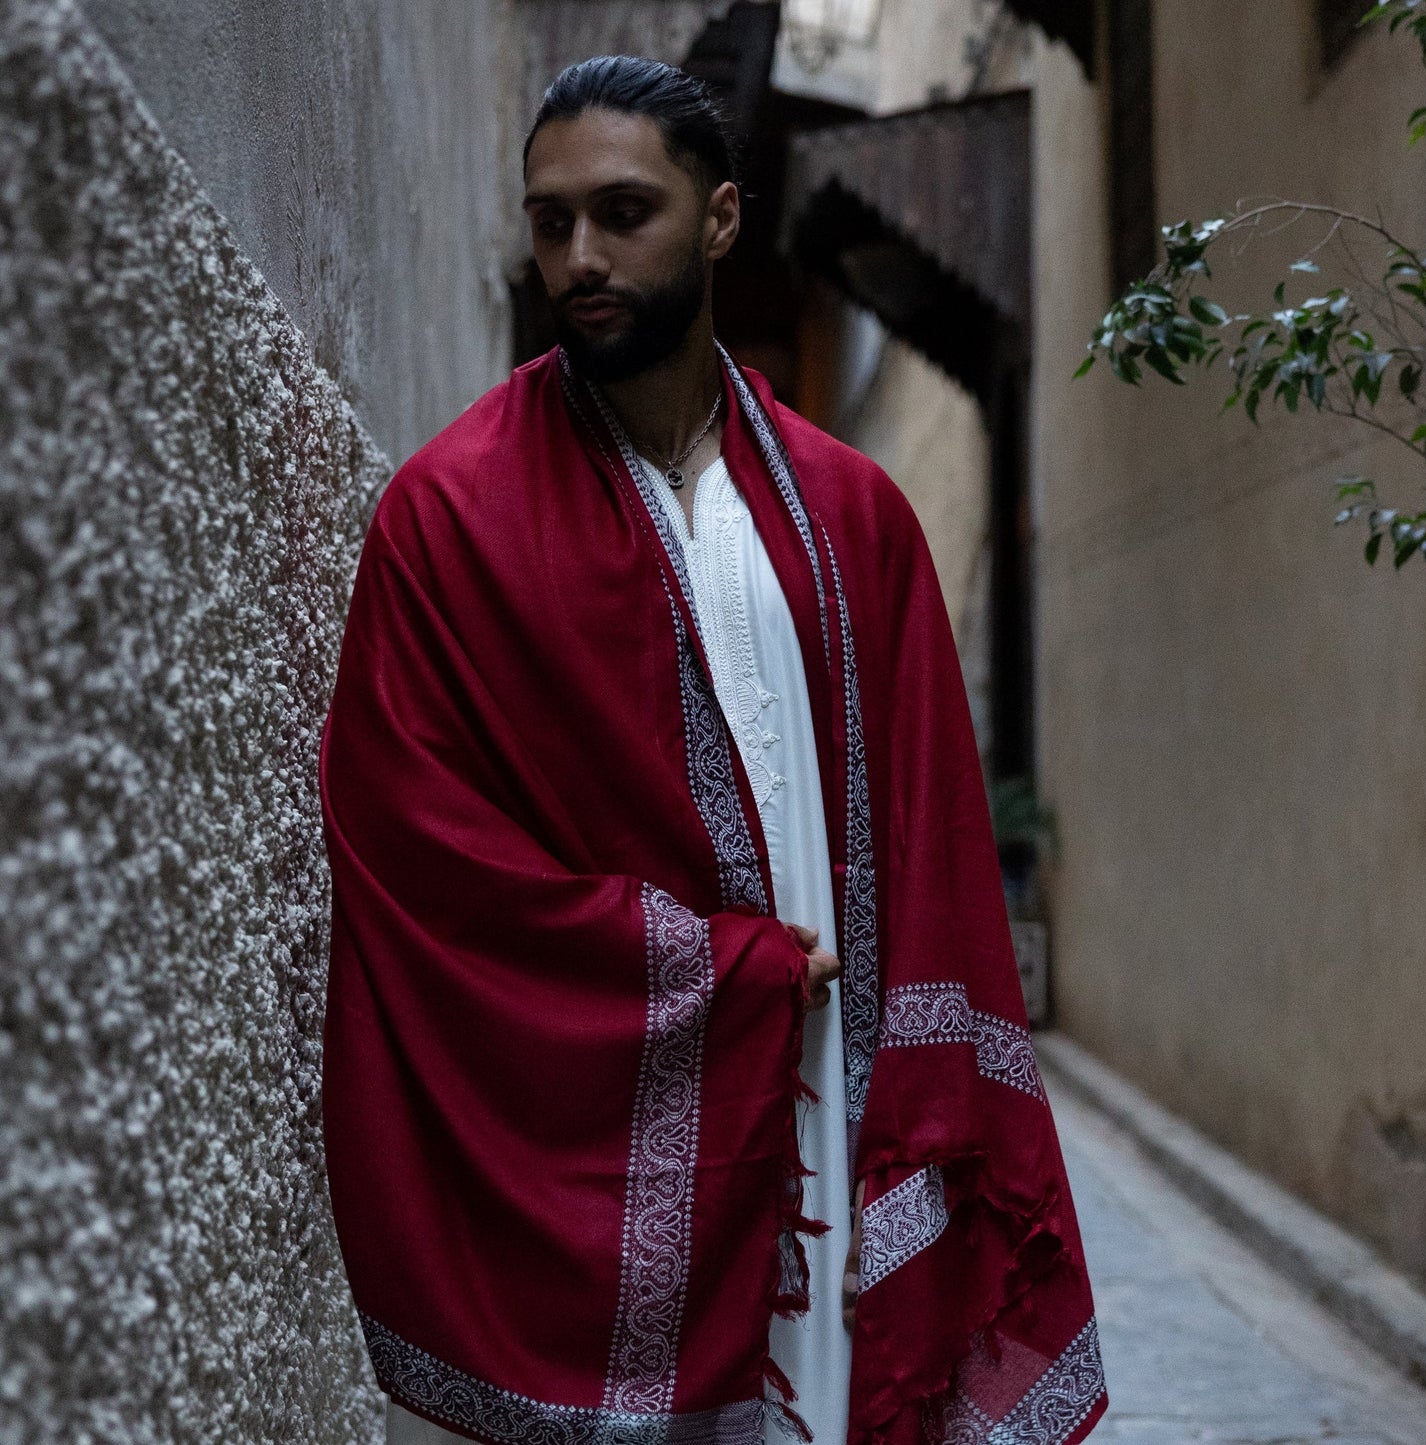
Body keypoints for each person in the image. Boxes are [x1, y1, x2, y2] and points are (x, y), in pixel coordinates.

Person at [319, 55, 1106, 1445]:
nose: (580, 256)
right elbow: (410, 850)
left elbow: (932, 852)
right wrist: (710, 971)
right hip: (608, 1168)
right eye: (548, 220)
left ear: (722, 218)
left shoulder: (855, 518)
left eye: (623, 211)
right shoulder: (445, 522)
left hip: (832, 1123)